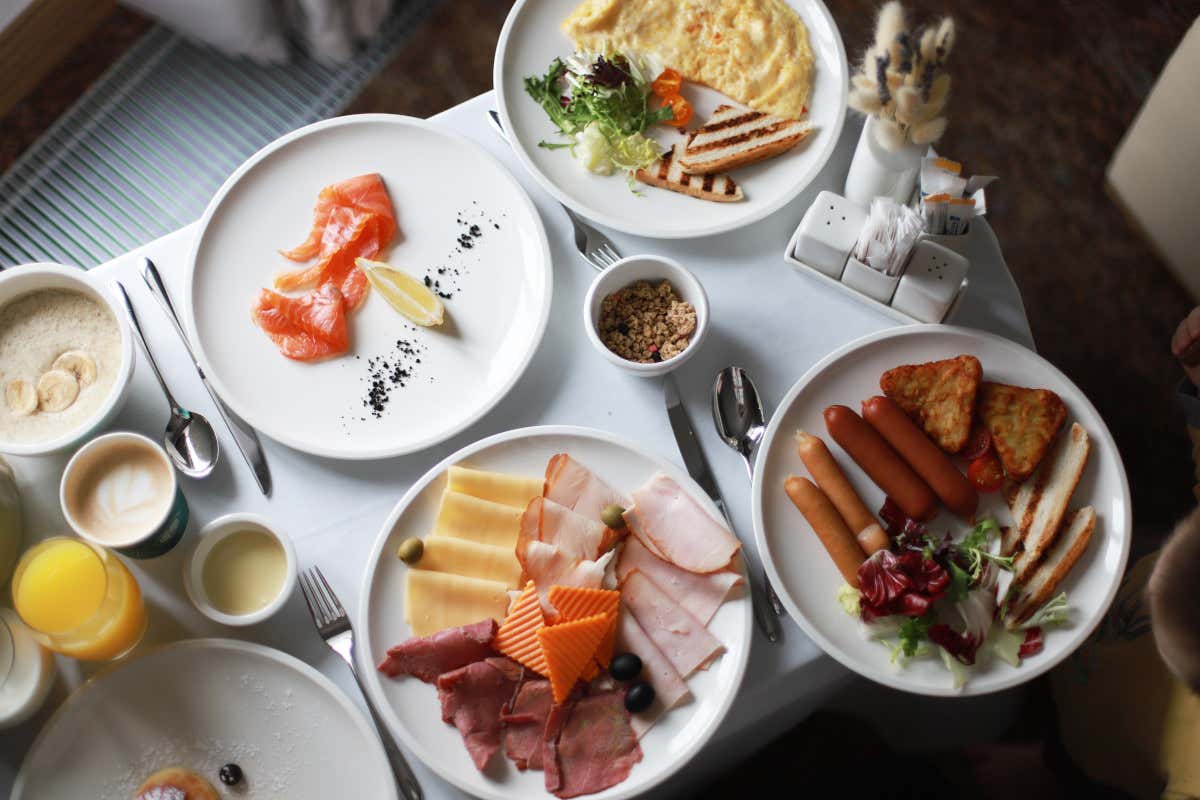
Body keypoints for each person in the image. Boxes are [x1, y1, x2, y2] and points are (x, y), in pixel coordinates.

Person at [1046, 308, 1200, 798]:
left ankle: (1052, 765)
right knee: (1068, 691)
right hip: (1092, 650)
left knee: (1079, 761)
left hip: (1112, 762)